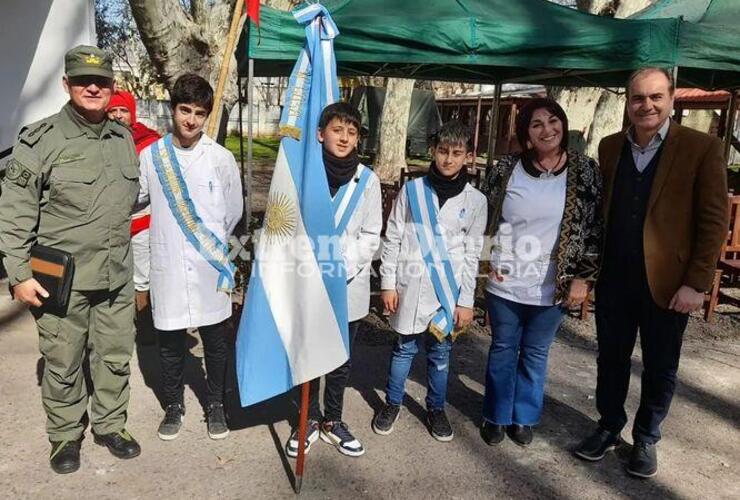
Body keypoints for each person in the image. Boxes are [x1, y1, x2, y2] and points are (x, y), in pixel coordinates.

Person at [574, 67, 729, 478]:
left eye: (656, 97)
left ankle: (646, 437)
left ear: (671, 99)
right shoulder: (609, 148)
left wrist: (697, 283)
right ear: (628, 101)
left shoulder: (701, 148)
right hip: (615, 278)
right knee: (611, 359)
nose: (647, 105)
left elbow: (714, 222)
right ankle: (608, 425)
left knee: (660, 366)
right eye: (639, 97)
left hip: (670, 284)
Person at [0, 45, 141, 474]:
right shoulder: (40, 139)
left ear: (113, 88)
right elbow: (14, 211)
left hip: (115, 276)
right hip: (62, 279)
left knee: (115, 357)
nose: (92, 87)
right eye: (83, 80)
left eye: (100, 81)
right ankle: (64, 435)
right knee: (62, 362)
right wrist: (19, 275)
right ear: (67, 85)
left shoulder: (124, 139)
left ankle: (111, 424)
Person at [478, 98, 602, 447]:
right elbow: (481, 216)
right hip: (506, 281)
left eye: (553, 121)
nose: (547, 129)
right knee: (503, 347)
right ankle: (496, 415)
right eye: (536, 124)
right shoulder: (506, 168)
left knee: (535, 352)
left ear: (563, 125)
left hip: (555, 284)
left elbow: (594, 227)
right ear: (526, 134)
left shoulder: (585, 170)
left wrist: (583, 276)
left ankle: (523, 417)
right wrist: (486, 263)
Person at [137, 74, 243, 441]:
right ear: (173, 110)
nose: (191, 120)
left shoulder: (221, 158)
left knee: (215, 341)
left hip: (209, 266)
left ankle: (215, 404)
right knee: (170, 342)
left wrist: (209, 248)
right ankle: (173, 405)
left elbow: (233, 211)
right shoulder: (151, 157)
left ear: (207, 115)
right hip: (168, 266)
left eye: (199, 113)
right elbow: (136, 201)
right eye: (185, 110)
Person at [372, 120, 487, 442]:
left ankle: (436, 408)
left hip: (447, 293)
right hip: (409, 286)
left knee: (440, 353)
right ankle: (392, 403)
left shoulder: (476, 201)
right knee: (404, 348)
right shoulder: (412, 191)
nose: (448, 160)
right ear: (433, 152)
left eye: (456, 153)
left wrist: (466, 302)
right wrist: (388, 283)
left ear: (468, 156)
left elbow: (472, 254)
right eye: (442, 152)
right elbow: (392, 238)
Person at [284, 102, 382, 458]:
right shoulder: (303, 173)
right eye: (337, 130)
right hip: (305, 282)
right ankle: (306, 418)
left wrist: (338, 266)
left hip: (346, 283)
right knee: (305, 352)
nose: (344, 138)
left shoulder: (367, 181)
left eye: (352, 132)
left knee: (340, 358)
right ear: (321, 134)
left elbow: (372, 234)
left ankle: (333, 420)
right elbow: (288, 226)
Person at [106, 90, 160, 322]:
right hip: (109, 222)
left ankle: (145, 323)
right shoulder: (100, 141)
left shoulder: (148, 143)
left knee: (142, 275)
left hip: (140, 221)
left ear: (133, 113)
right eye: (113, 111)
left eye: (123, 110)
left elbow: (152, 187)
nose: (118, 115)